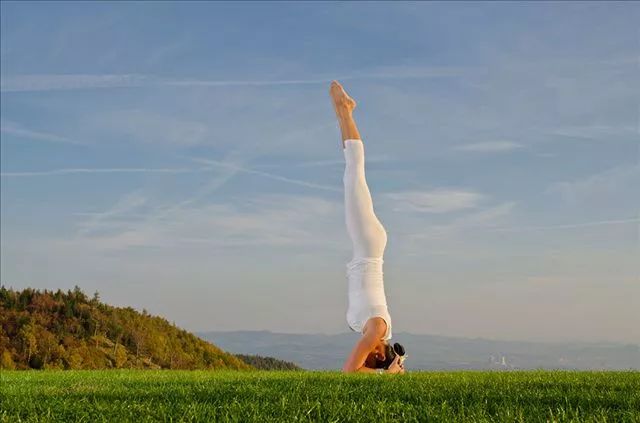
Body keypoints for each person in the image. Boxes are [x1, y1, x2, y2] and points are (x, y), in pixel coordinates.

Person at [329, 81, 404, 374]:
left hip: (367, 245)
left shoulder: (371, 330)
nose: (366, 361)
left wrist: (388, 371)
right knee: (354, 175)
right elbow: (350, 371)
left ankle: (342, 117)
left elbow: (357, 369)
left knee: (352, 177)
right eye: (372, 362)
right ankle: (346, 112)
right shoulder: (377, 328)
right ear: (378, 354)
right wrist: (389, 374)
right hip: (369, 245)